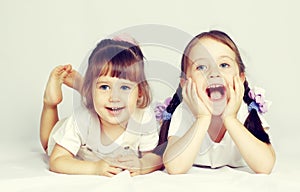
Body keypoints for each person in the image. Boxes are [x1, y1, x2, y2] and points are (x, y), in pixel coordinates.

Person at [40, 37, 162, 177]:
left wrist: (143, 165)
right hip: (63, 134)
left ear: (140, 92)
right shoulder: (82, 120)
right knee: (47, 144)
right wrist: (95, 168)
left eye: (124, 87)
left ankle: (87, 86)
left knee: (103, 99)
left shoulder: (143, 117)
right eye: (105, 86)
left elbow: (153, 156)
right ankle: (50, 103)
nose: (114, 97)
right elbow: (57, 160)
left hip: (96, 100)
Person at [160, 30, 276, 174]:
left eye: (224, 65)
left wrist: (230, 119)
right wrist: (202, 118)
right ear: (185, 84)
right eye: (201, 67)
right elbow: (175, 167)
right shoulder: (184, 112)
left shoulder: (246, 111)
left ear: (241, 78)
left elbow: (265, 166)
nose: (214, 73)